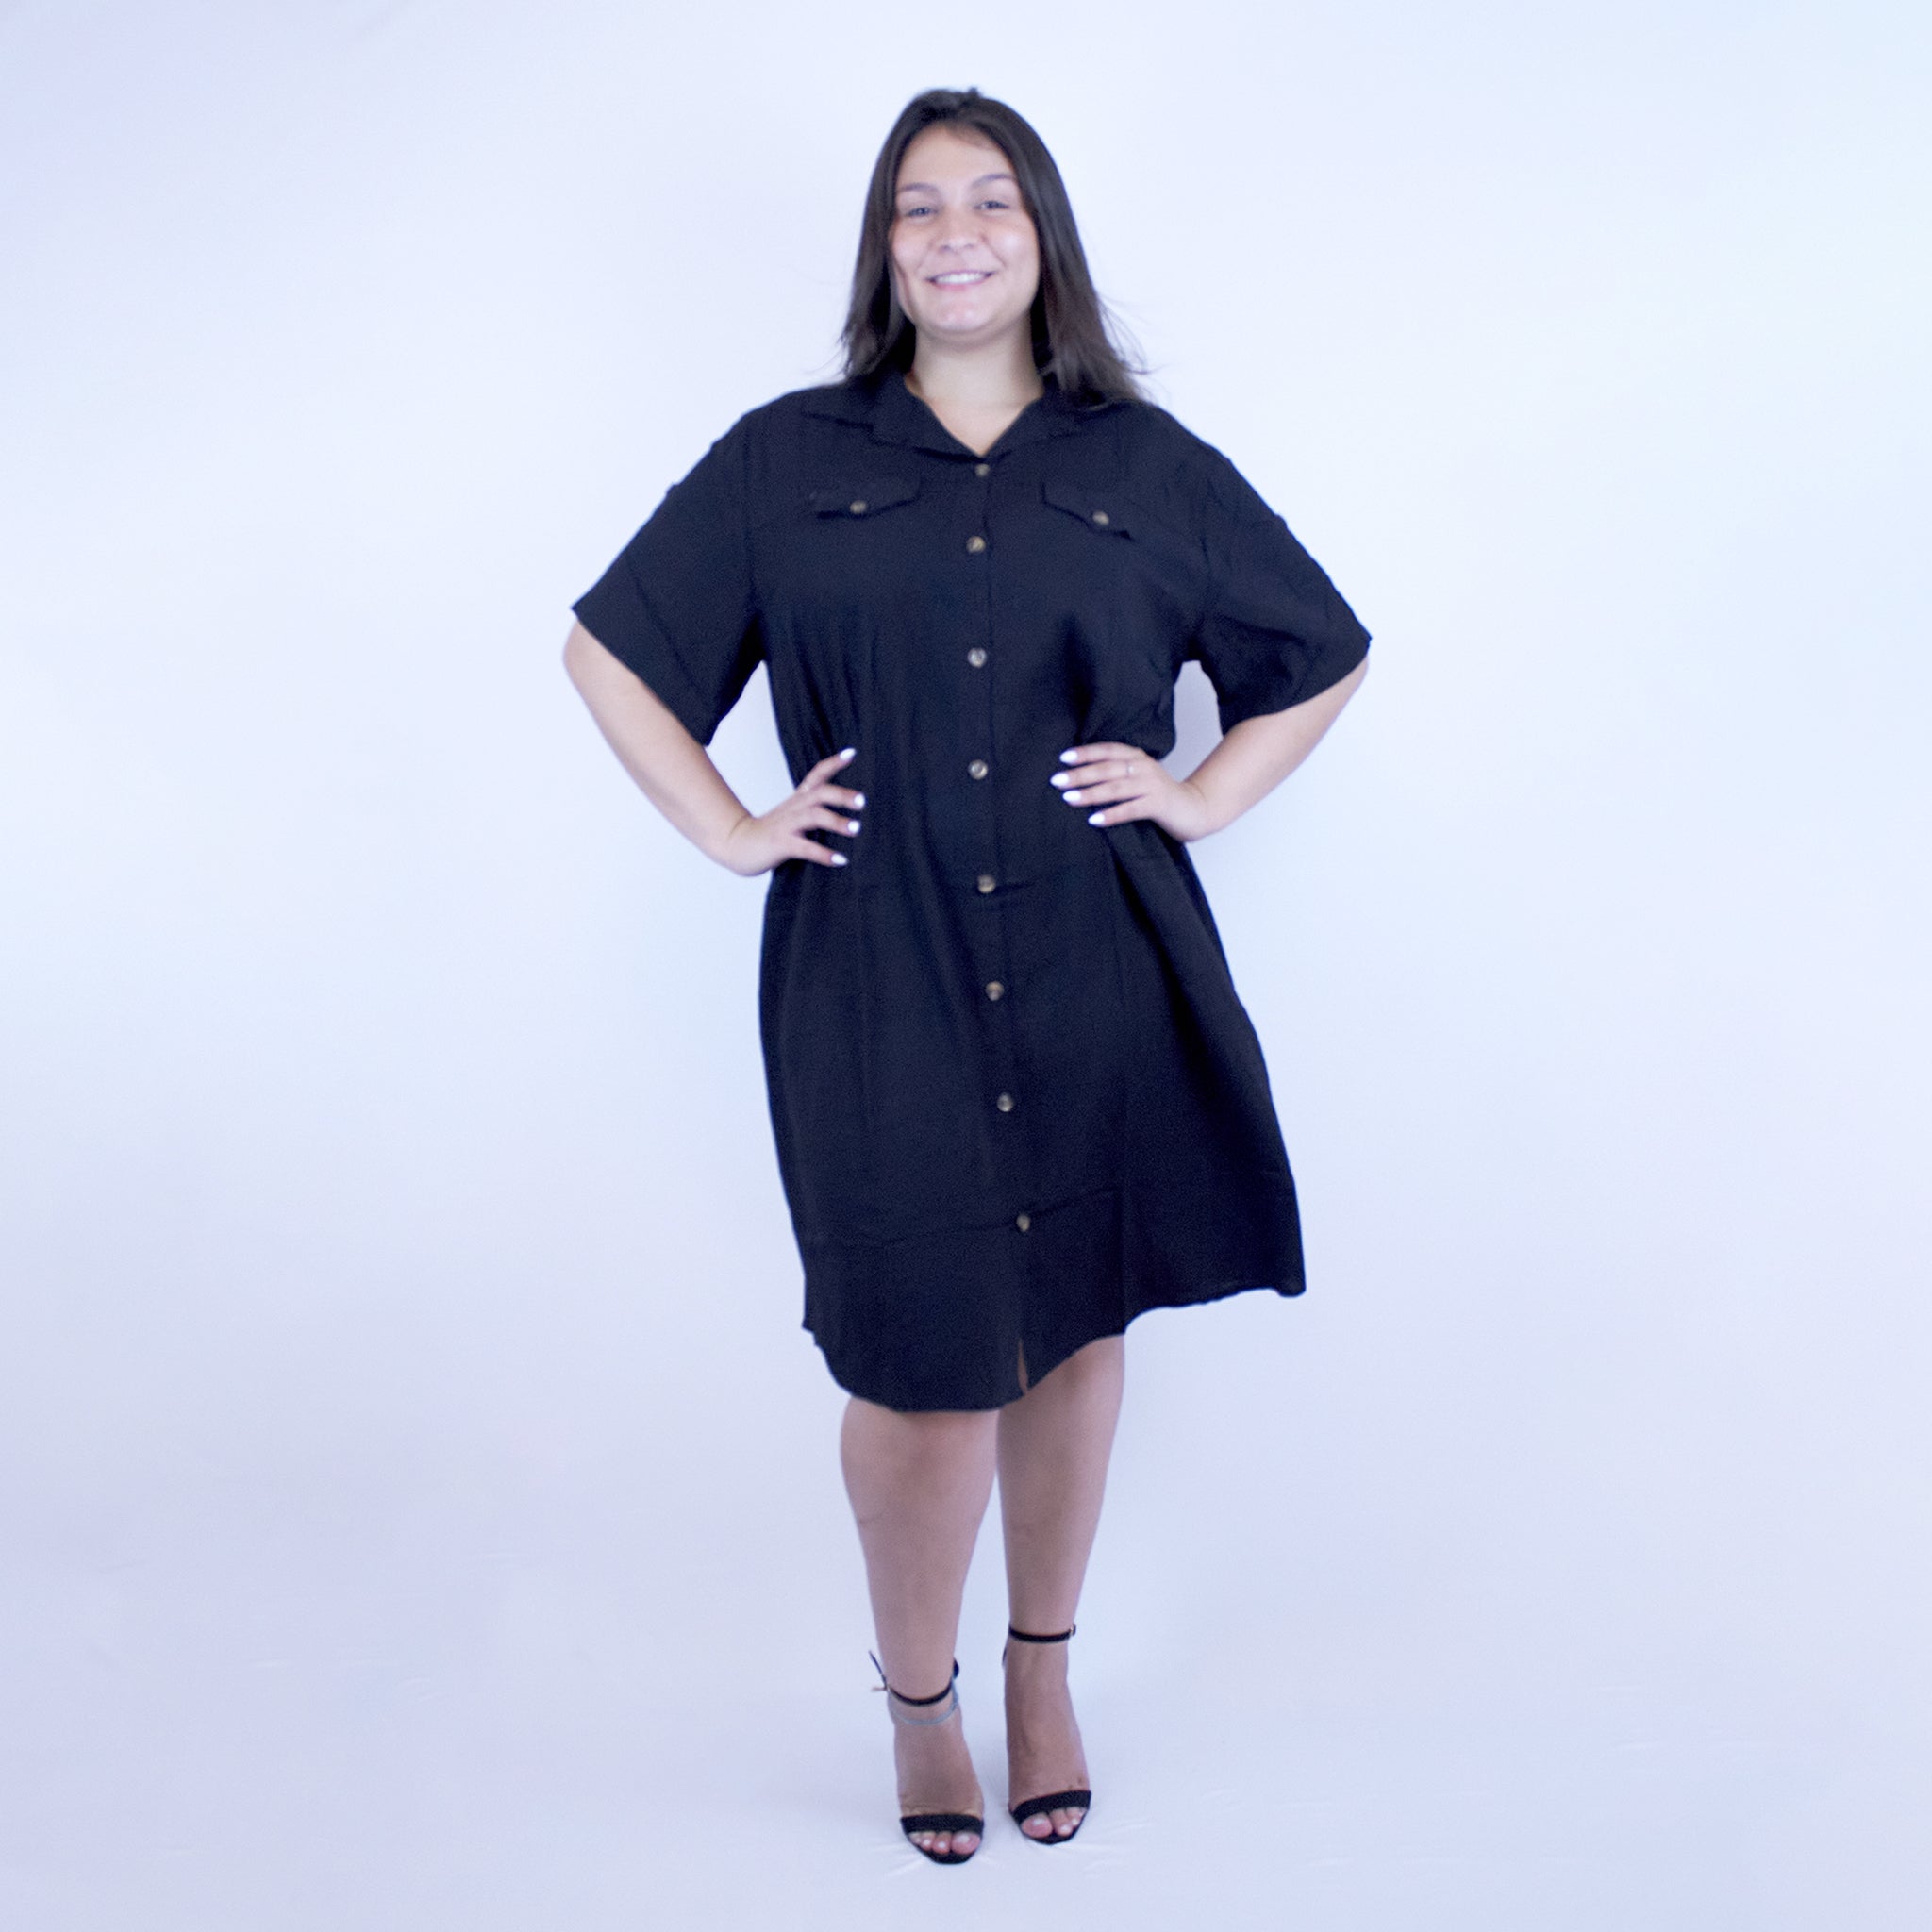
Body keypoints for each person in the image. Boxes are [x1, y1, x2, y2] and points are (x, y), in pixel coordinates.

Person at [562, 87, 1371, 1865]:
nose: (955, 234)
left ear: (1042, 235)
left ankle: (1039, 1672)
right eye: (918, 206)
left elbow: (1318, 648)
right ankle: (920, 1699)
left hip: (1097, 962)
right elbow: (609, 652)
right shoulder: (786, 461)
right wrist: (730, 827)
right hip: (880, 968)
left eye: (990, 201)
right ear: (886, 249)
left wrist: (1199, 793)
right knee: (921, 1371)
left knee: (1073, 1333)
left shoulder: (1145, 467)